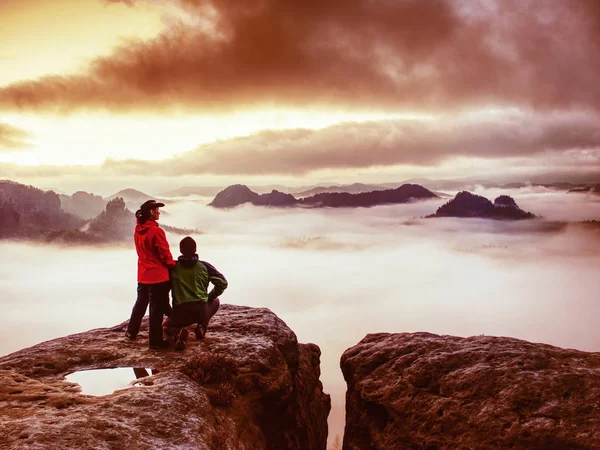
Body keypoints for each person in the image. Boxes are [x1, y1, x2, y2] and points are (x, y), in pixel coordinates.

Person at [126, 199, 176, 349]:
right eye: (156, 210)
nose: (159, 212)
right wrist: (172, 264)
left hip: (143, 274)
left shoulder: (137, 229)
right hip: (158, 276)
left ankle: (131, 331)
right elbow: (164, 254)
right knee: (156, 310)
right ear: (151, 213)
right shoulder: (156, 231)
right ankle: (155, 342)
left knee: (140, 303)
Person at [163, 236, 228, 350]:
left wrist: (168, 310)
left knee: (166, 327)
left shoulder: (173, 267)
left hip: (180, 311)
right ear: (195, 249)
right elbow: (222, 283)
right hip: (201, 309)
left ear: (181, 250)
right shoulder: (204, 266)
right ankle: (202, 326)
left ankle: (178, 334)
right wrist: (209, 297)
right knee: (216, 301)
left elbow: (163, 290)